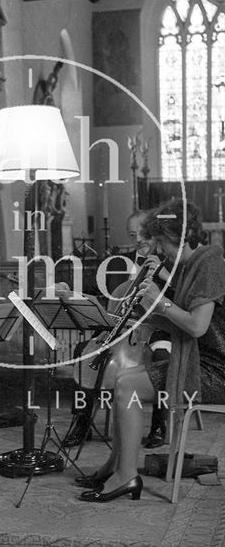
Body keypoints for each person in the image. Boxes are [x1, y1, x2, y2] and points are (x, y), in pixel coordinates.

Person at [78, 198, 225, 503]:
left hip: (215, 372)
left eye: (161, 242)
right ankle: (118, 466)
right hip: (199, 361)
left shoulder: (209, 264)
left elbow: (197, 327)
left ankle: (126, 475)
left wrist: (160, 301)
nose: (158, 250)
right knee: (125, 380)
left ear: (178, 238)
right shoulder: (191, 265)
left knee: (126, 385)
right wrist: (139, 317)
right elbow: (186, 325)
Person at [63, 209, 171, 450]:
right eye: (133, 234)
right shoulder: (117, 264)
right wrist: (65, 287)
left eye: (144, 233)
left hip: (158, 329)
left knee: (163, 356)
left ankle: (158, 425)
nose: (139, 239)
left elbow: (184, 298)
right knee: (84, 351)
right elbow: (91, 285)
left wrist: (164, 274)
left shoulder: (170, 263)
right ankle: (82, 423)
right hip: (120, 329)